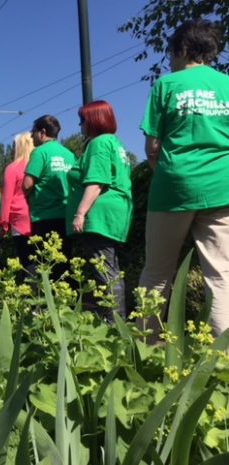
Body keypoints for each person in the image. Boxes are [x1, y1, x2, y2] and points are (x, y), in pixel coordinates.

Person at [138, 20, 229, 341]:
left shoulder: (167, 86)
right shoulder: (227, 85)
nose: (170, 61)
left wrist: (169, 174)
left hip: (172, 188)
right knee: (221, 276)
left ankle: (145, 352)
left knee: (157, 272)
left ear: (185, 49)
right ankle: (223, 364)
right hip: (222, 187)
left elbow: (152, 148)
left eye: (171, 53)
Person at [66, 100, 133, 322]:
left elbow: (96, 182)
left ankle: (114, 324)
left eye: (82, 120)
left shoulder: (98, 143)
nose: (80, 125)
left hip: (100, 214)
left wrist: (80, 213)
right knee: (111, 270)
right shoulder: (115, 143)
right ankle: (117, 320)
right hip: (116, 212)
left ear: (93, 121)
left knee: (104, 271)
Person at [23, 115, 76, 274]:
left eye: (33, 131)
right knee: (63, 262)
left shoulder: (40, 152)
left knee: (45, 264)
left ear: (42, 132)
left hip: (44, 216)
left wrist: (27, 197)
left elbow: (27, 184)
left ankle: (47, 297)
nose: (31, 136)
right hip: (66, 215)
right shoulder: (69, 154)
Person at [0, 132, 33, 268]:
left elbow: (7, 197)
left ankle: (33, 287)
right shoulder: (37, 164)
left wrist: (4, 223)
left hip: (19, 218)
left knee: (26, 258)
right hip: (37, 214)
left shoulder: (12, 168)